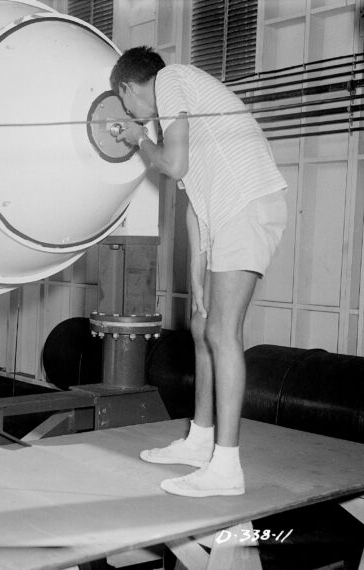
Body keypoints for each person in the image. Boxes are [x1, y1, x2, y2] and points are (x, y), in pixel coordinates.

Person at [111, 47, 287, 497]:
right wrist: (195, 283)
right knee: (202, 324)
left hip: (246, 206)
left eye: (124, 102)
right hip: (223, 217)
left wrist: (138, 139)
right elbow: (192, 207)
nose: (130, 111)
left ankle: (226, 468)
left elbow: (173, 165)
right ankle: (200, 440)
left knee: (224, 332)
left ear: (129, 88)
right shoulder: (184, 107)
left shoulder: (170, 82)